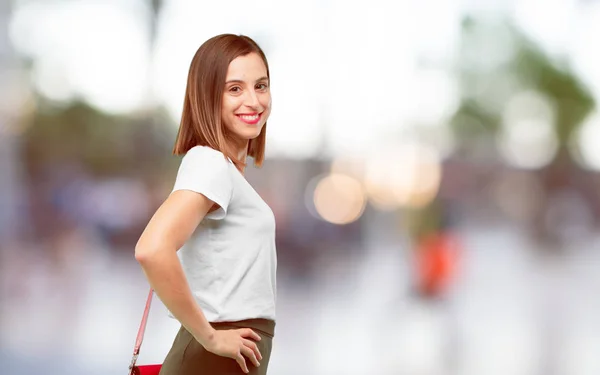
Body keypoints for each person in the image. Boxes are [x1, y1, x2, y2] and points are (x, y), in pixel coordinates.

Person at [135, 34, 277, 375]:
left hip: (230, 357)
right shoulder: (210, 164)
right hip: (214, 359)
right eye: (235, 89)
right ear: (207, 96)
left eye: (261, 85)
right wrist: (210, 338)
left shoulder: (225, 172)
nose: (254, 101)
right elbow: (152, 249)